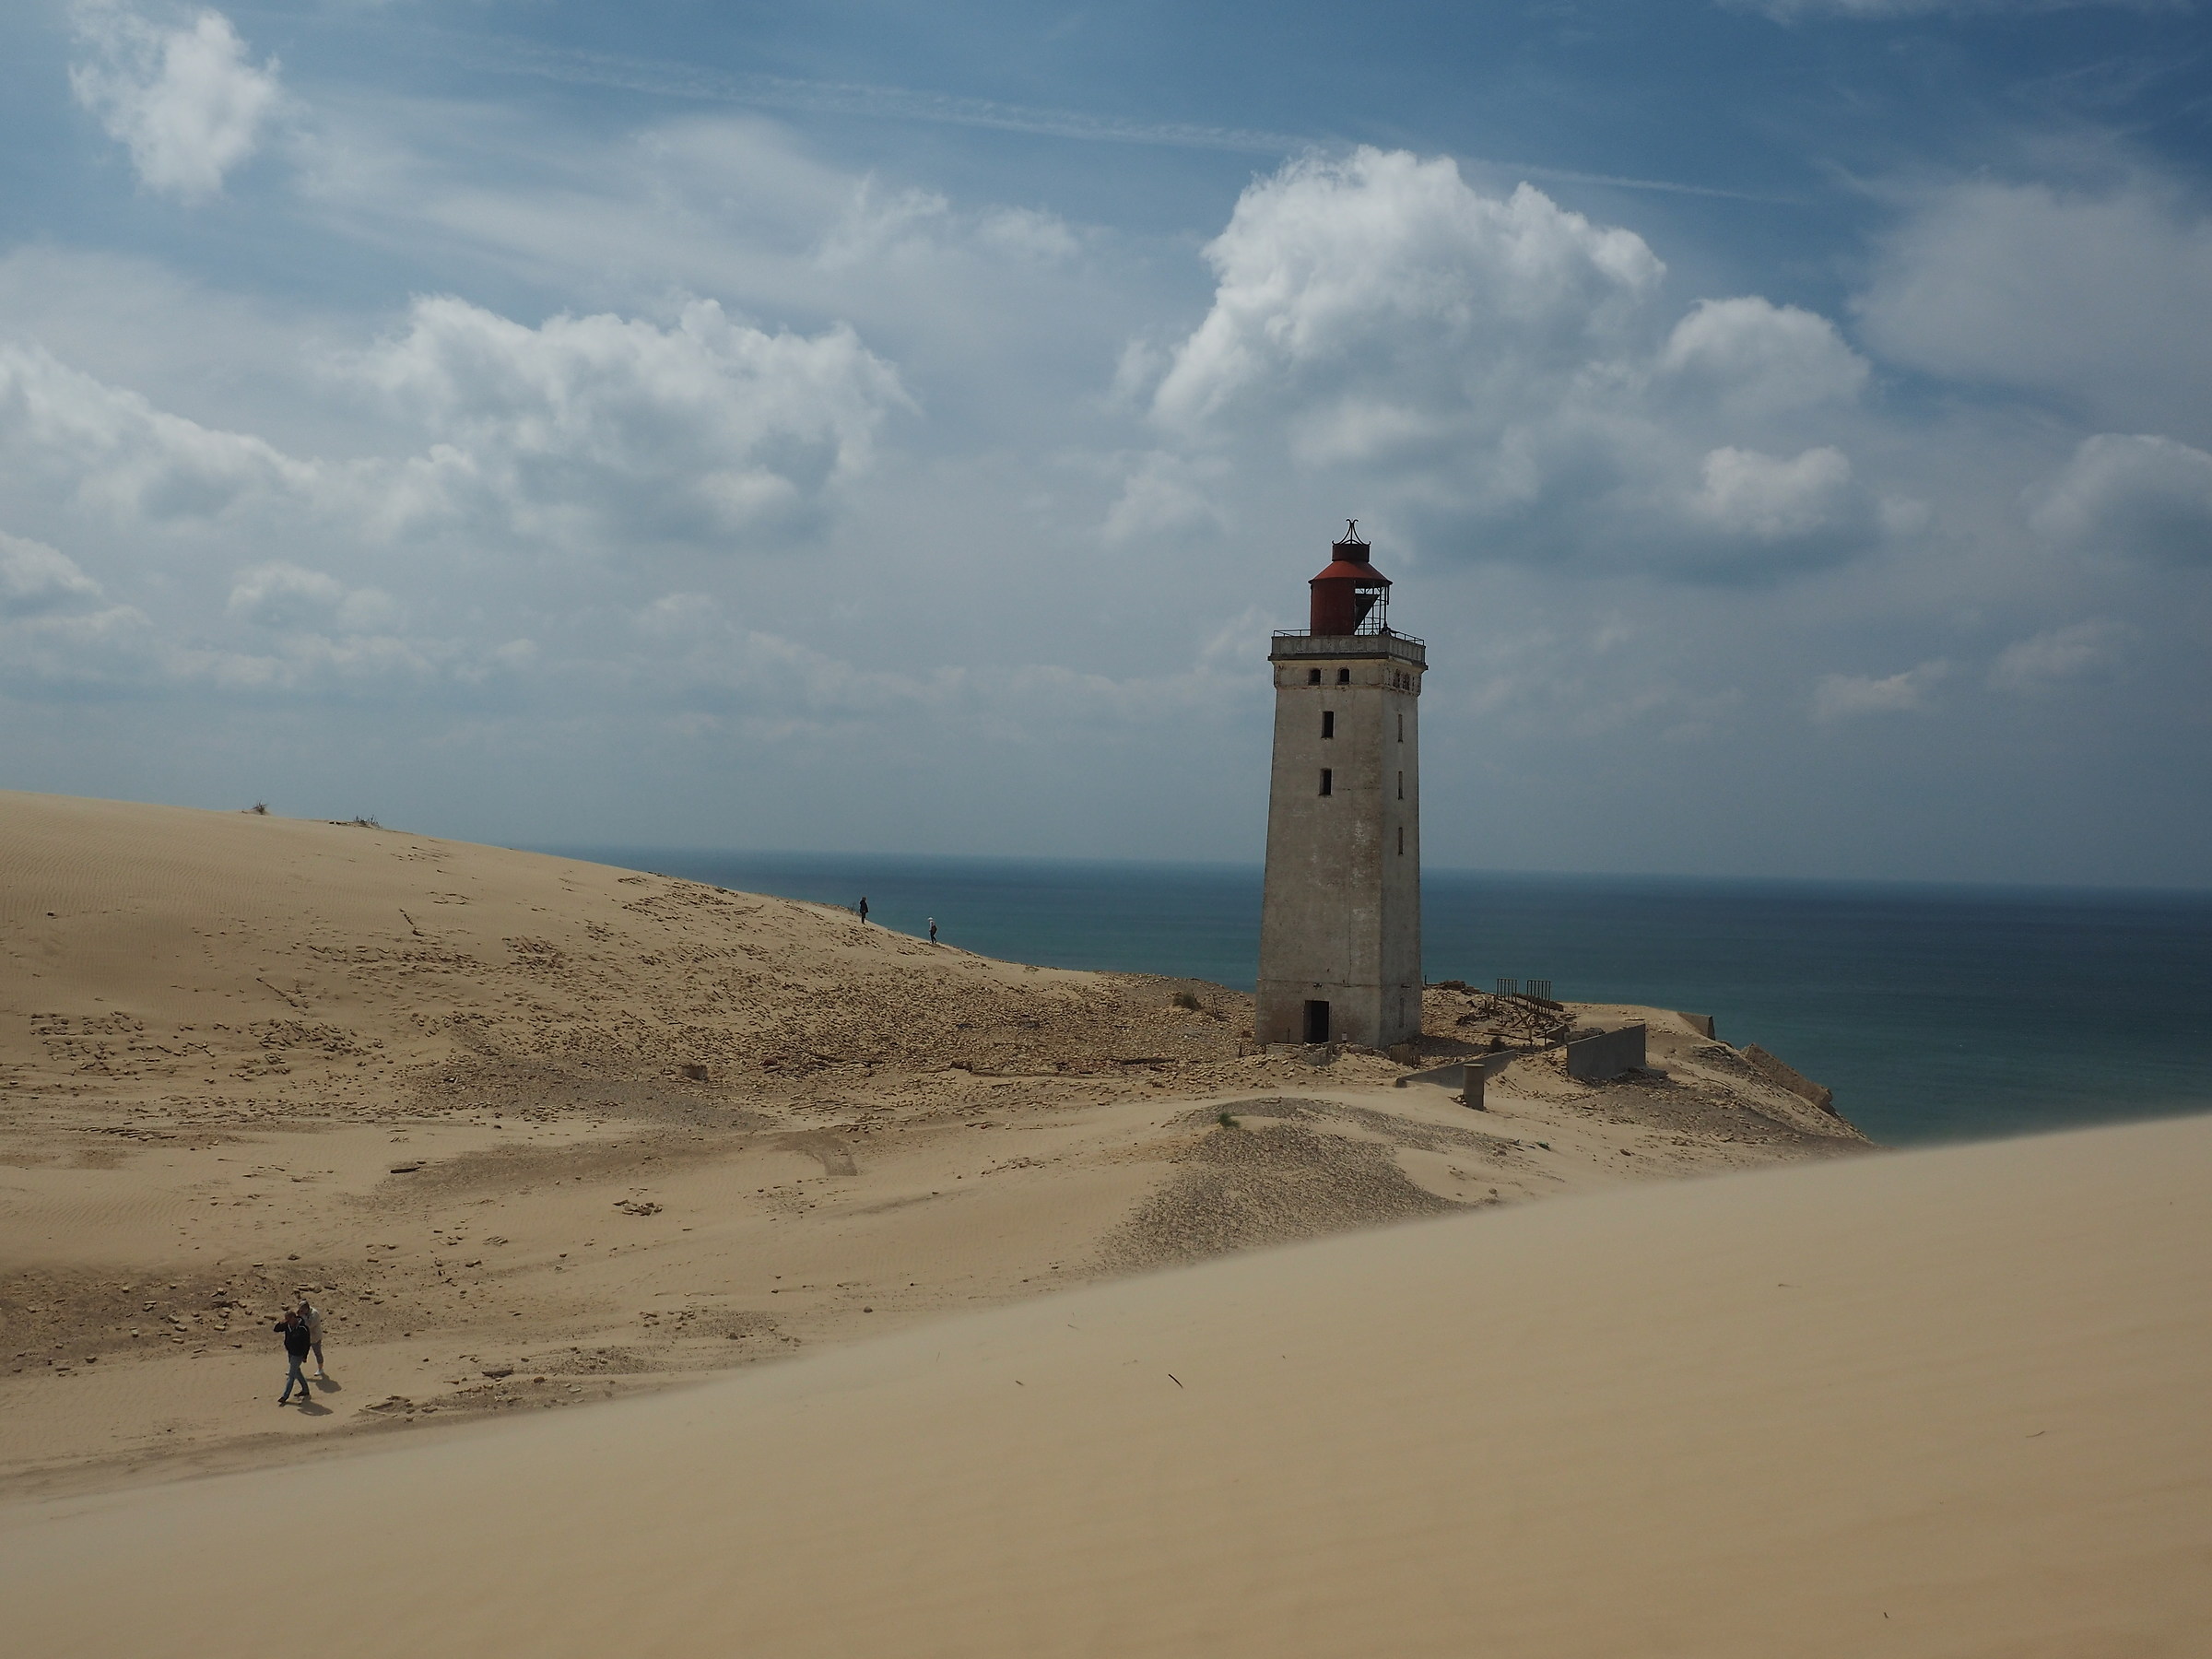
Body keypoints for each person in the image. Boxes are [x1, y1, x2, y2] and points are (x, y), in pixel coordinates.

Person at [273, 1309, 314, 1406]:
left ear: (294, 1318)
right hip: (291, 1353)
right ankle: (305, 1390)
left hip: (298, 1354)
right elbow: (276, 1329)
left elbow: (307, 1343)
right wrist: (282, 1322)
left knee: (291, 1375)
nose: (287, 1321)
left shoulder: (303, 1328)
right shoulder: (287, 1325)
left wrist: (305, 1356)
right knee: (297, 1372)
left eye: (288, 1319)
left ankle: (285, 1396)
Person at [298, 1297, 327, 1379]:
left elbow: (309, 1325)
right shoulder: (304, 1314)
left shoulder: (314, 1314)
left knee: (317, 1353)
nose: (301, 1311)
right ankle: (295, 1368)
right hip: (306, 1337)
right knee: (301, 1352)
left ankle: (320, 1369)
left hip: (315, 1337)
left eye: (302, 1310)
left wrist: (303, 1317)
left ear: (306, 1308)